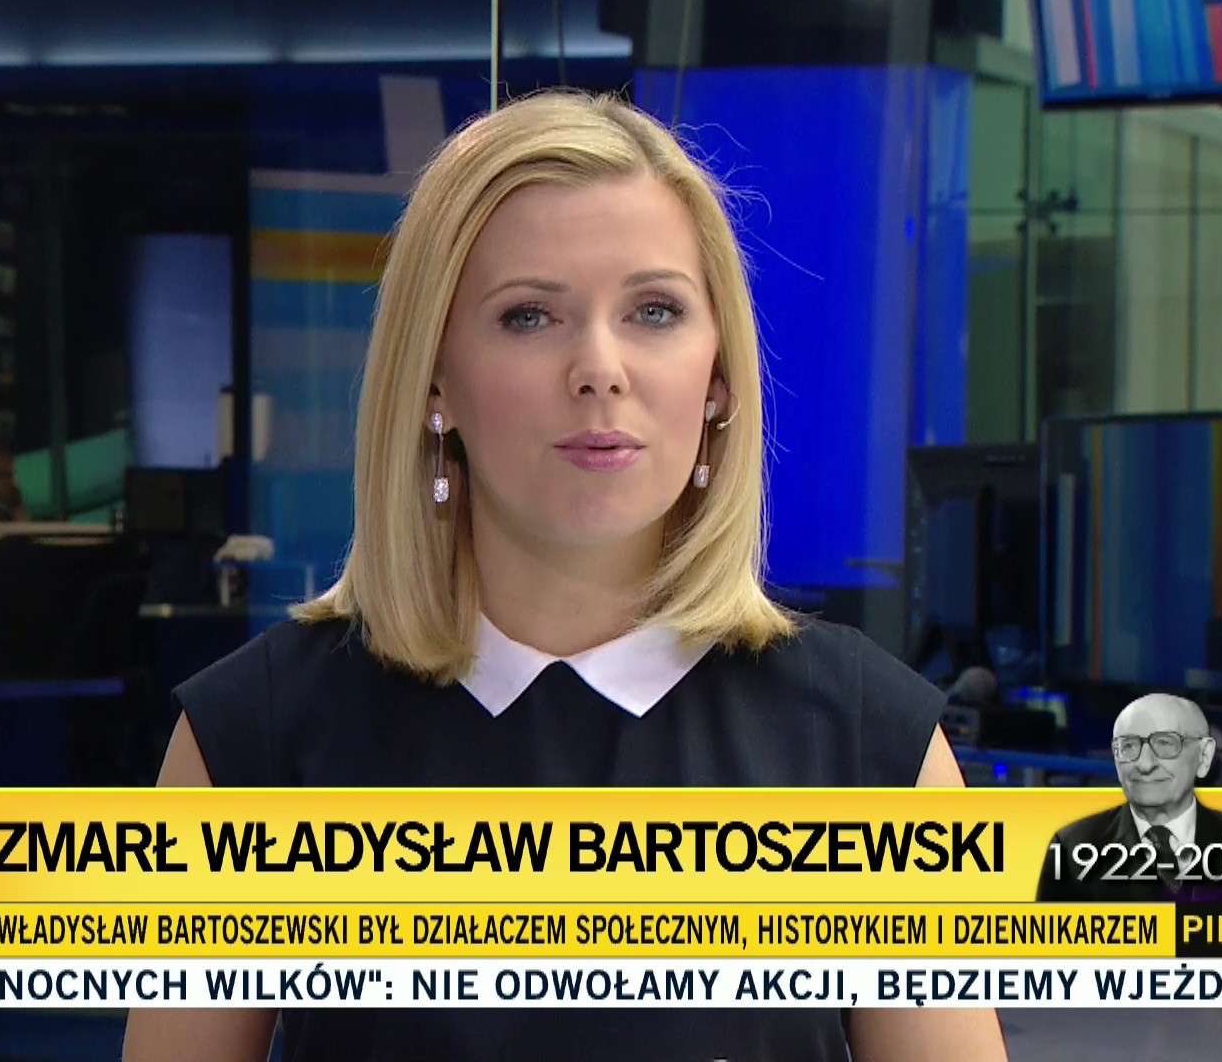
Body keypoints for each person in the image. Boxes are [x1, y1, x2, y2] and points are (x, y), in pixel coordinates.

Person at [122, 91, 1006, 1062]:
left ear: (717, 378)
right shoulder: (252, 738)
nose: (599, 368)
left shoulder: (869, 747)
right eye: (530, 315)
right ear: (434, 380)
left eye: (654, 311)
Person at [1036, 693, 1222, 904]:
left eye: (1165, 744)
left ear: (1204, 758)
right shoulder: (1070, 852)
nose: (1145, 764)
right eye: (1129, 746)